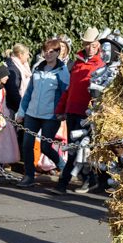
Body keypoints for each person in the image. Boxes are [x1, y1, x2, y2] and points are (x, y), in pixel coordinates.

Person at [52, 27, 105, 195]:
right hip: (72, 111)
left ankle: (63, 183)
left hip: (87, 113)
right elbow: (70, 89)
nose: (90, 47)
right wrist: (61, 109)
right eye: (88, 44)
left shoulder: (101, 64)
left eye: (93, 44)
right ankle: (91, 180)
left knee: (77, 149)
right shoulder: (77, 62)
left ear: (98, 44)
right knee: (76, 149)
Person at [14, 38, 69, 187]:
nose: (48, 54)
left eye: (52, 51)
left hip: (50, 116)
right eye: (46, 51)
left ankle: (63, 167)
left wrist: (62, 113)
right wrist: (21, 112)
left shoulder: (63, 71)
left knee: (45, 146)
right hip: (32, 114)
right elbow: (29, 92)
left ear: (58, 52)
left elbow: (65, 94)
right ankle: (29, 176)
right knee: (27, 144)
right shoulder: (37, 67)